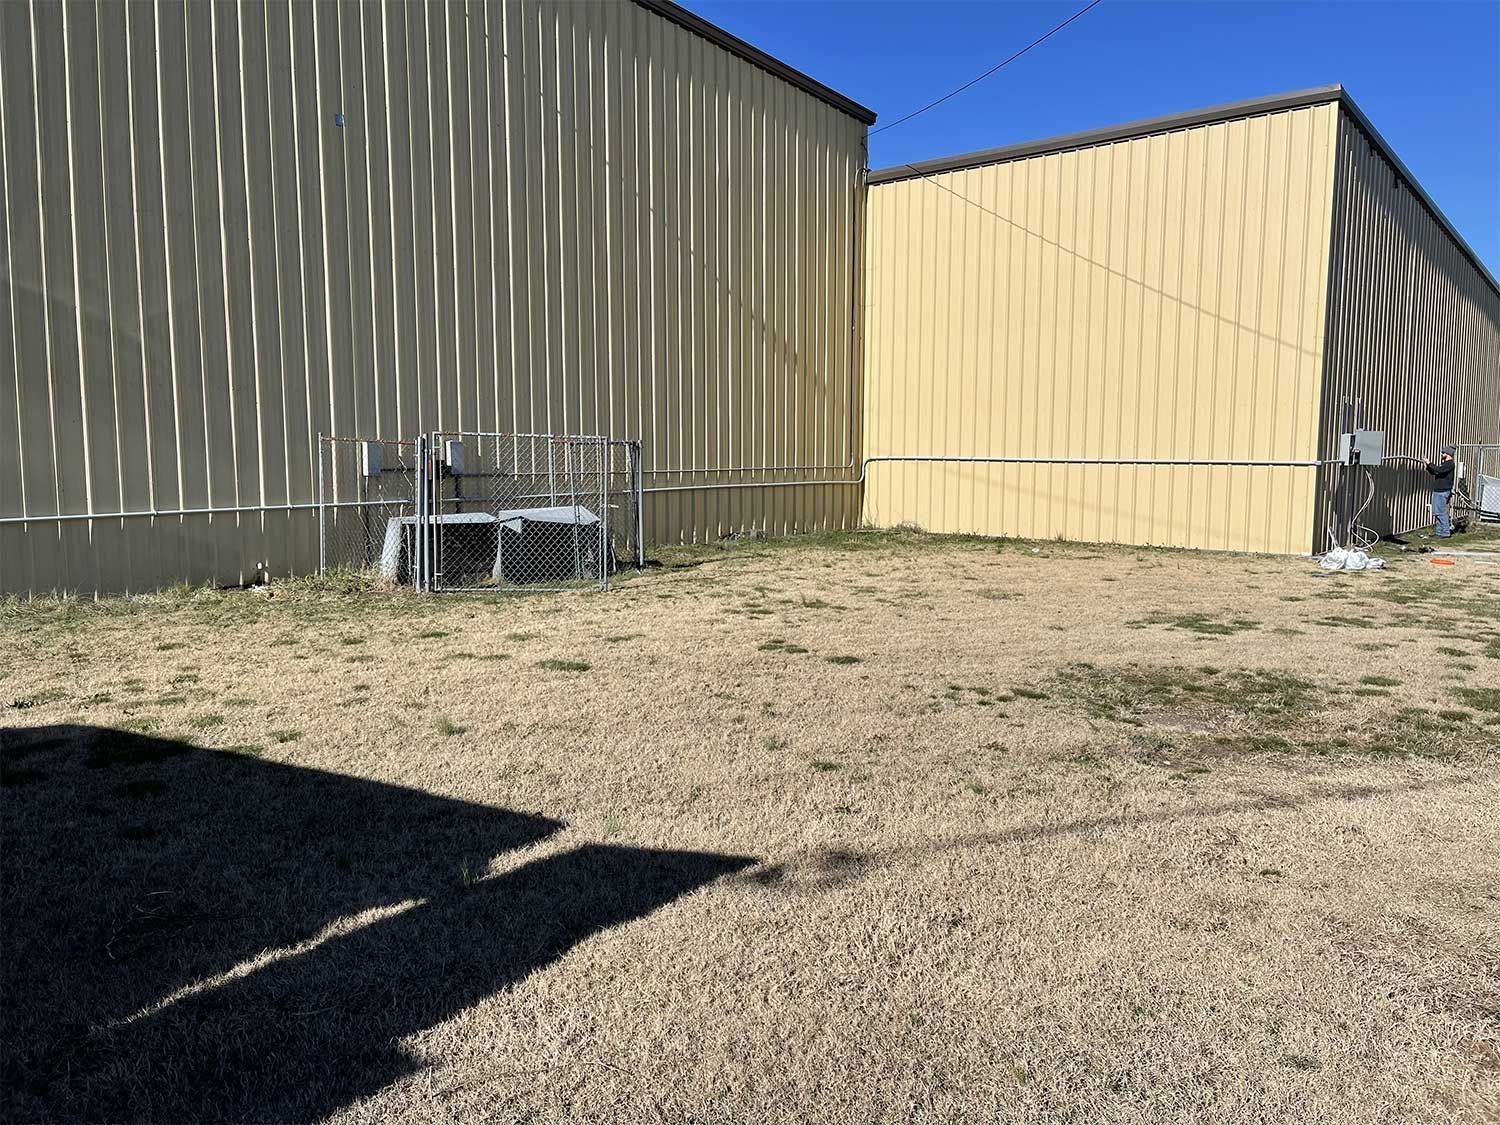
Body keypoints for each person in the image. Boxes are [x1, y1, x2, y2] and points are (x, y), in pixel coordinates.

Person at [1425, 445, 1456, 538]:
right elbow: (1436, 472)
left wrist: (1430, 463)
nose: (1441, 454)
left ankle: (1445, 532)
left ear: (1448, 454)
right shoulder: (1445, 464)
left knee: (1441, 512)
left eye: (1443, 452)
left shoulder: (1449, 464)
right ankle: (1439, 532)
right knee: (1437, 512)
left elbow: (1439, 470)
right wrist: (1428, 467)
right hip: (1438, 490)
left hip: (1443, 491)